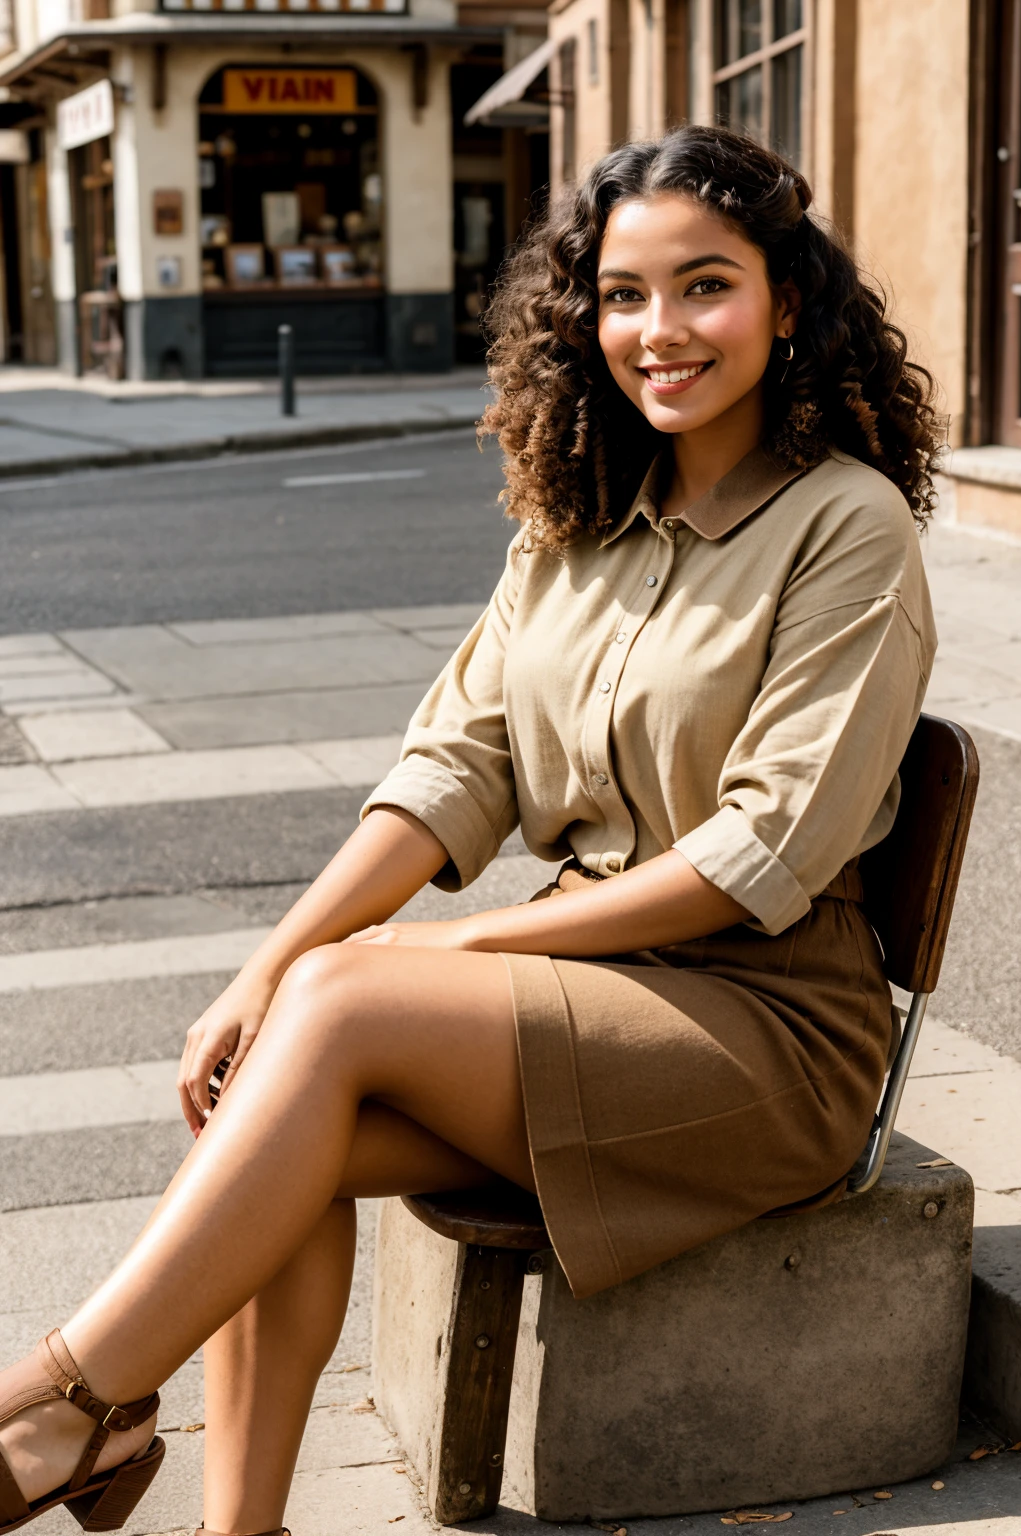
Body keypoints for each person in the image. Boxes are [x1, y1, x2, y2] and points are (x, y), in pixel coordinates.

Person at [0, 123, 940, 1536]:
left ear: (788, 302)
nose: (660, 330)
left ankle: (57, 1408)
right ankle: (225, 1523)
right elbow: (456, 768)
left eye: (706, 285)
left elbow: (755, 855)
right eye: (624, 295)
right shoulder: (575, 524)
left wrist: (461, 946)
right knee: (278, 1093)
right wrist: (275, 962)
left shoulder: (845, 527)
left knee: (345, 1011)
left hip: (772, 1033)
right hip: (588, 997)